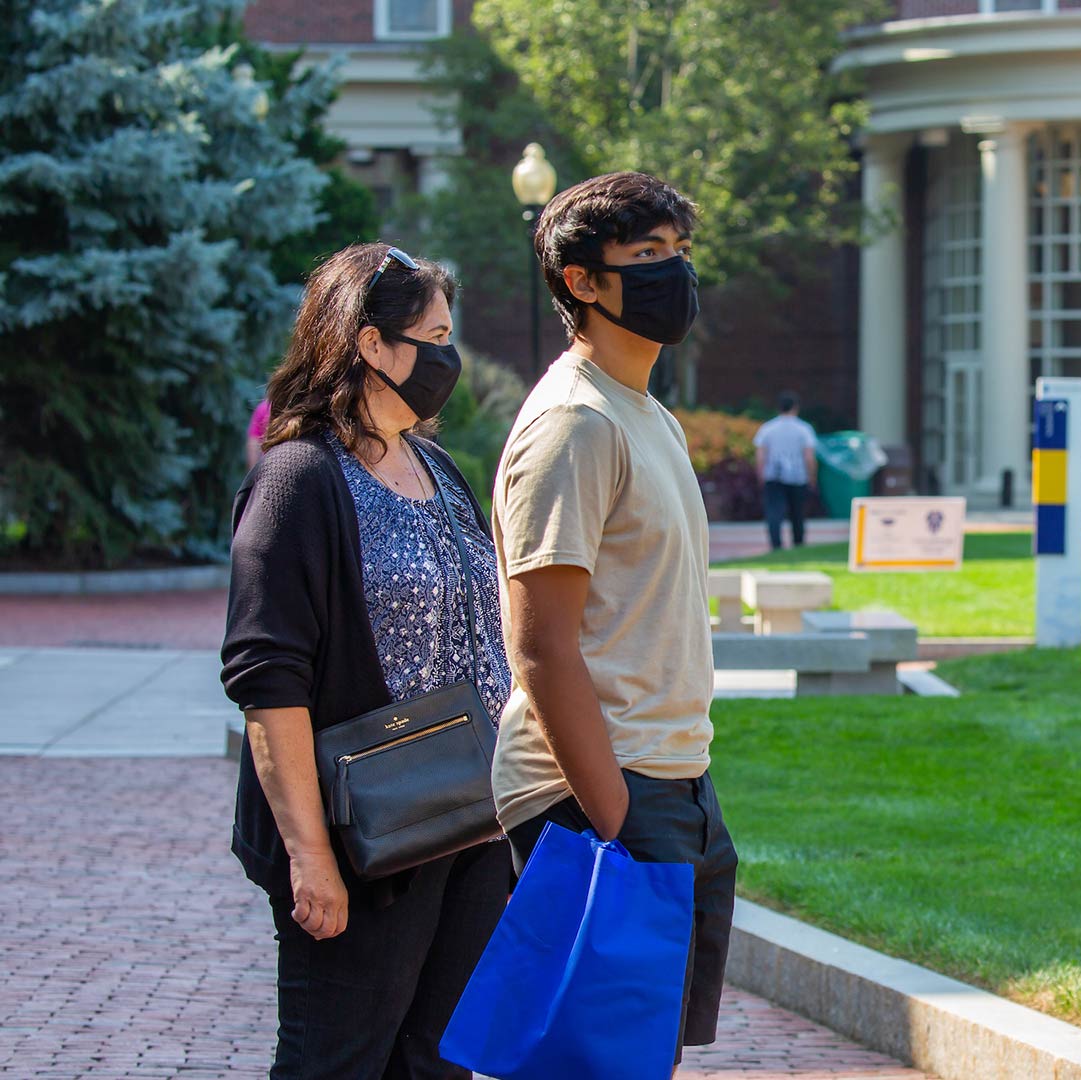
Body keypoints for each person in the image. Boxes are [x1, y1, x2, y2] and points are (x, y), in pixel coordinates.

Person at [221, 243, 514, 1078]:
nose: (446, 358)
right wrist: (310, 855)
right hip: (365, 834)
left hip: (466, 820)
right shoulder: (297, 480)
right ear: (369, 345)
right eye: (433, 335)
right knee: (336, 1062)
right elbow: (267, 680)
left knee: (438, 1063)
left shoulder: (438, 467)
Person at [490, 171, 737, 1062]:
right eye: (645, 256)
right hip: (598, 792)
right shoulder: (573, 423)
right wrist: (612, 814)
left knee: (639, 1057)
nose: (674, 274)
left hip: (673, 784)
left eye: (678, 253)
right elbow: (541, 644)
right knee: (593, 1063)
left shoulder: (647, 418)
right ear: (579, 281)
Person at [753, 391, 817, 549]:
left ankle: (776, 544)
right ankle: (798, 542)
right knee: (798, 513)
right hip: (798, 476)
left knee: (774, 512)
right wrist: (812, 476)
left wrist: (760, 474)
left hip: (773, 475)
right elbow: (809, 457)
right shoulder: (804, 429)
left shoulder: (767, 428)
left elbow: (761, 455)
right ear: (796, 407)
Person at [246, 397, 271, 467]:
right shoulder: (264, 408)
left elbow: (253, 443)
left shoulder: (263, 408)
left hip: (265, 467)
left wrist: (253, 472)